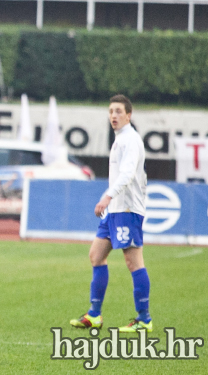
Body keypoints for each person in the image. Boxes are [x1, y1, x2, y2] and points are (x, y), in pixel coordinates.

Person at [70, 94, 152, 333]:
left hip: (126, 208)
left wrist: (107, 196)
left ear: (129, 114)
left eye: (118, 111)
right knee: (96, 255)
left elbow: (127, 175)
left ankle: (144, 318)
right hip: (115, 210)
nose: (113, 116)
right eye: (111, 111)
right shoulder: (120, 140)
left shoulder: (131, 140)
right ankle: (94, 315)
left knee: (133, 261)